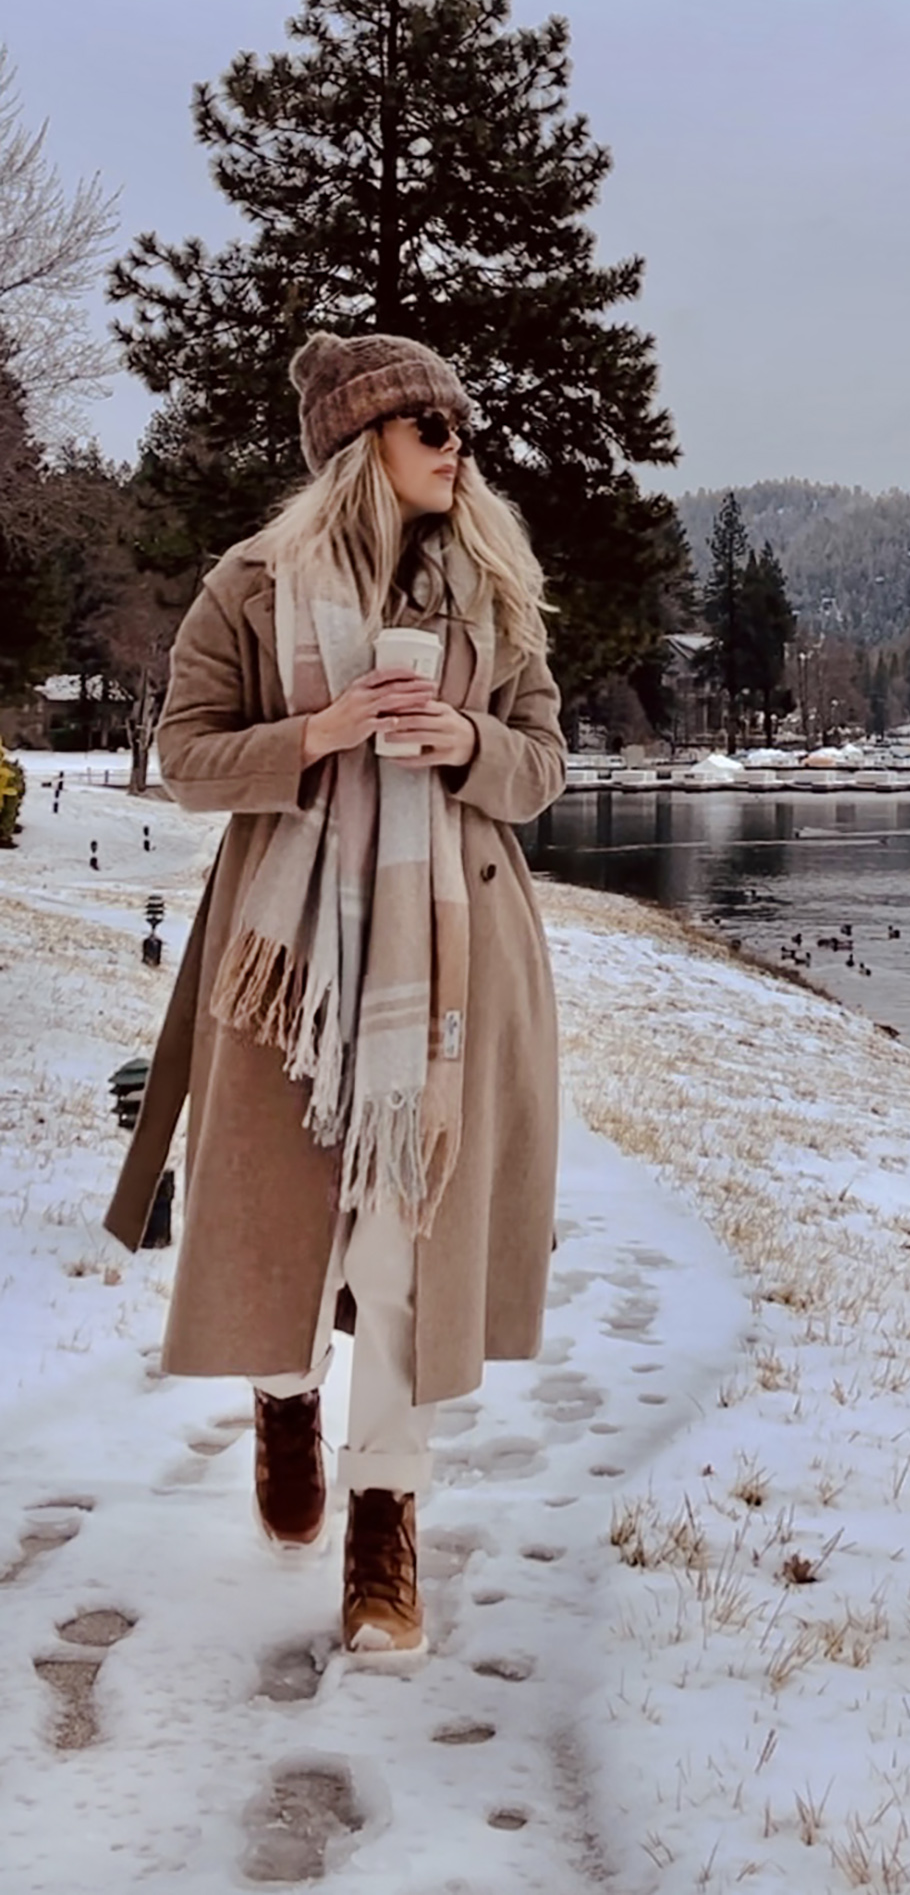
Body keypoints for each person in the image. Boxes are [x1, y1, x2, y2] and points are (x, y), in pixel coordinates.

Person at [107, 331, 565, 1662]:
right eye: (432, 425)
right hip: (284, 966)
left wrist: (469, 742)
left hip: (454, 966)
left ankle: (384, 1526)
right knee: (283, 1221)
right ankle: (285, 1391)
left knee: (405, 1241)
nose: (458, 446)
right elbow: (184, 759)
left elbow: (542, 762)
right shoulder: (251, 587)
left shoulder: (492, 584)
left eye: (462, 425)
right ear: (365, 441)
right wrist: (317, 735)